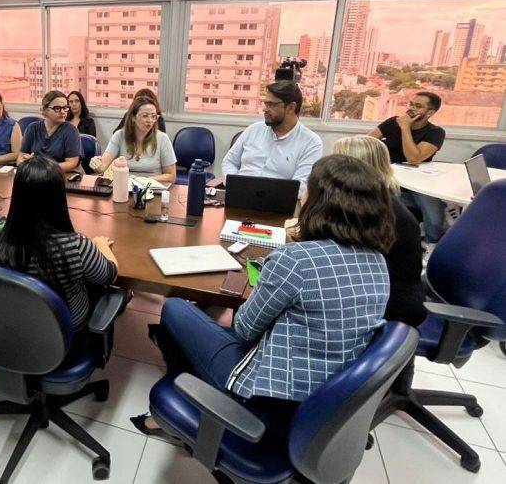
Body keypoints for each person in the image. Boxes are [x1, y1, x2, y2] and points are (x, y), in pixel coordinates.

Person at [133, 154, 394, 441]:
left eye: (308, 189)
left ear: (321, 202)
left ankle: (190, 398)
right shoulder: (377, 261)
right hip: (325, 397)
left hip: (267, 393)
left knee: (175, 307)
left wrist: (275, 270)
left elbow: (244, 329)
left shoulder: (296, 259)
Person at [0, 155, 118, 332]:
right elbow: (109, 275)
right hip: (62, 333)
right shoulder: (76, 246)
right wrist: (102, 246)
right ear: (59, 197)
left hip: (12, 328)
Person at [333, 136, 425, 327]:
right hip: (380, 289)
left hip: (389, 304)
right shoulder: (376, 200)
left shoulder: (379, 213)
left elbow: (338, 257)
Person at [368, 91, 448, 244]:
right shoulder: (392, 122)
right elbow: (366, 142)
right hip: (389, 179)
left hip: (418, 184)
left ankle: (432, 244)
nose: (411, 108)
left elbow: (414, 158)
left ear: (430, 112)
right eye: (411, 104)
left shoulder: (435, 132)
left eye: (418, 106)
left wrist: (405, 128)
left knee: (434, 218)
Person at [221, 81, 323, 195]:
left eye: (271, 104)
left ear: (291, 107)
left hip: (278, 206)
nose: (265, 109)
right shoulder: (254, 130)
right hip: (239, 197)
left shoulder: (311, 143)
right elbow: (229, 162)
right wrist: (235, 185)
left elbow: (301, 186)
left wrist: (262, 194)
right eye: (265, 104)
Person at [89, 95, 177, 183]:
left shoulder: (162, 138)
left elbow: (171, 176)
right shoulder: (119, 135)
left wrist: (144, 180)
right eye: (145, 116)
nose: (150, 120)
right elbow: (102, 167)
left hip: (152, 189)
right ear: (133, 117)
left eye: (154, 116)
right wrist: (96, 163)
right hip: (125, 187)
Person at [18, 90, 81, 174]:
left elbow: (71, 163)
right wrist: (24, 162)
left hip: (60, 175)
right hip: (36, 176)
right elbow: (20, 158)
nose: (63, 112)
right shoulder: (32, 128)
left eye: (65, 108)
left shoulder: (71, 130)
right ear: (45, 110)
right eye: (57, 108)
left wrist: (41, 169)